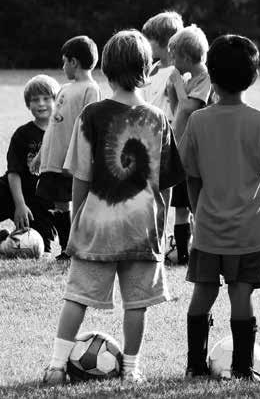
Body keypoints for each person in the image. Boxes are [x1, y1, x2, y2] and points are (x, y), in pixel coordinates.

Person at [42, 29, 185, 384]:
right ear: (147, 69)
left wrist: (77, 218)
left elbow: (81, 176)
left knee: (76, 297)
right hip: (142, 229)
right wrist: (162, 227)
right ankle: (132, 370)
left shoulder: (92, 115)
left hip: (97, 226)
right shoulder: (157, 118)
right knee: (136, 304)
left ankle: (57, 367)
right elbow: (164, 186)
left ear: (105, 68)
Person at [179, 34, 260, 381]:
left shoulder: (198, 122)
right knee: (241, 296)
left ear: (210, 77)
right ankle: (244, 369)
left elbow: (190, 175)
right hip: (249, 232)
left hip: (209, 231)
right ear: (253, 77)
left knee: (203, 294)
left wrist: (198, 213)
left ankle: (195, 366)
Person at [33, 35, 102, 261]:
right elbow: (54, 125)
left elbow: (90, 127)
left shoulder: (90, 89)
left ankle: (77, 246)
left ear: (74, 62)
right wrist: (40, 156)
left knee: (75, 202)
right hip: (53, 159)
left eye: (64, 62)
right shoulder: (64, 88)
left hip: (70, 160)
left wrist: (78, 159)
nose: (63, 67)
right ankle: (66, 248)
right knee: (59, 203)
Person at [166, 24, 213, 265]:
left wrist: (176, 84)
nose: (171, 60)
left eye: (173, 55)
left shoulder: (205, 78)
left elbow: (191, 108)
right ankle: (182, 253)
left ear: (185, 56)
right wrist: (174, 94)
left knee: (196, 203)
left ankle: (202, 248)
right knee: (181, 202)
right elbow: (179, 113)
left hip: (200, 154)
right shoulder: (190, 79)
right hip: (183, 150)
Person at [0, 75, 60, 254]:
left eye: (46, 98)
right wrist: (19, 205)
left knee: (38, 248)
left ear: (56, 101)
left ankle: (5, 244)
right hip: (13, 191)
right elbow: (14, 172)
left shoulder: (62, 134)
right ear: (28, 105)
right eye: (35, 100)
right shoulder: (22, 134)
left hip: (42, 204)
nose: (41, 104)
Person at [141, 11, 184, 122]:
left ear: (166, 41)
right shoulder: (150, 69)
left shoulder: (179, 72)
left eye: (149, 39)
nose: (145, 43)